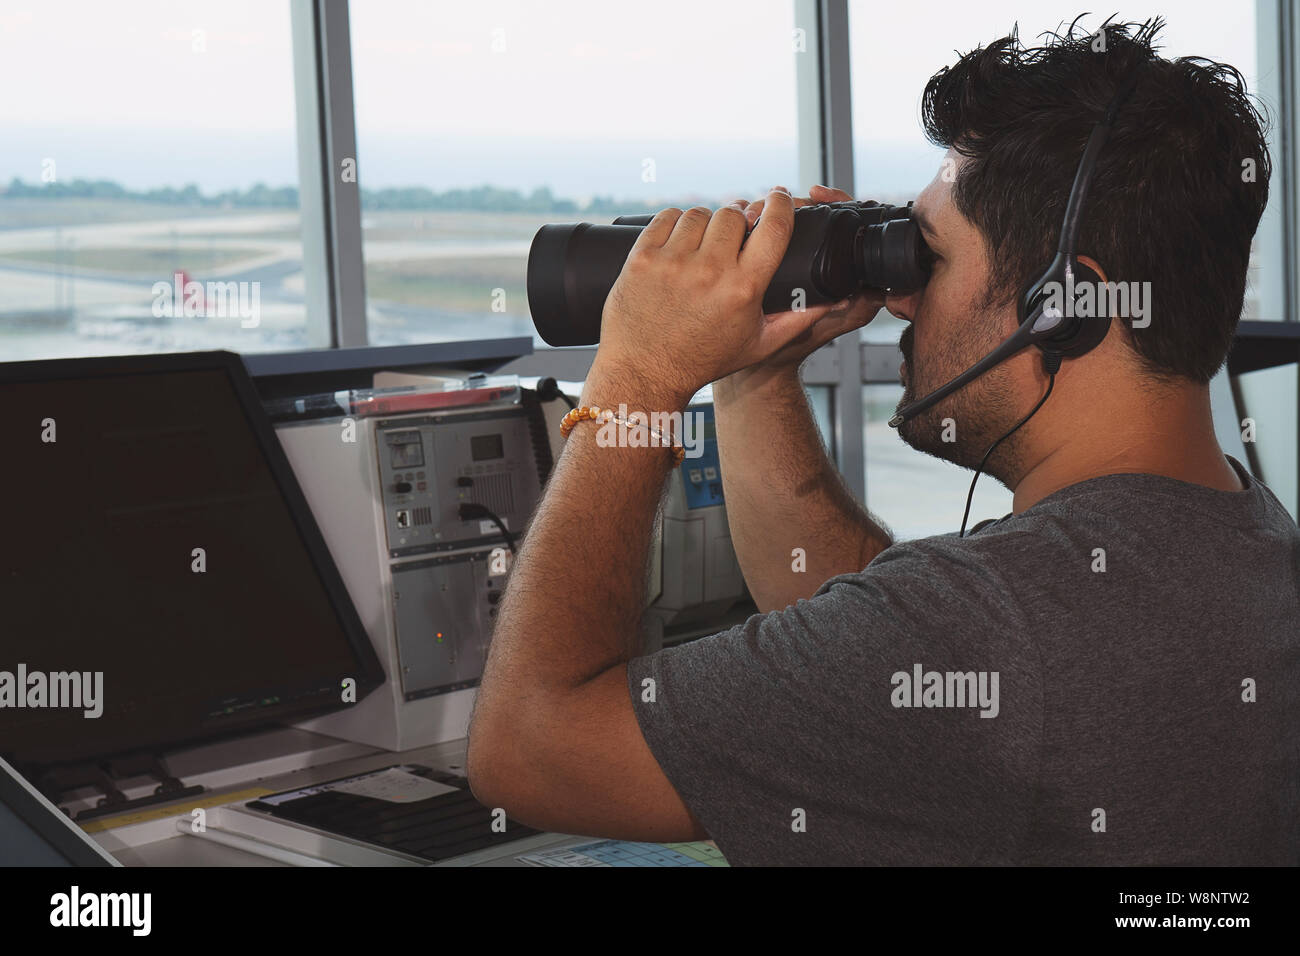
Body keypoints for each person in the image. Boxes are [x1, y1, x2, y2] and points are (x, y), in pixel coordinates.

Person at [467, 17, 1299, 865]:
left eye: (927, 257)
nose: (900, 301)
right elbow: (866, 652)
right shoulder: (1253, 542)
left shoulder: (986, 625)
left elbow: (530, 749)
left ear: (1064, 308)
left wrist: (636, 378)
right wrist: (756, 371)